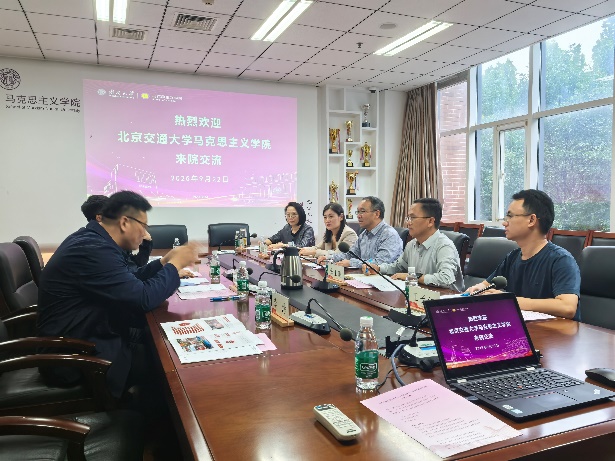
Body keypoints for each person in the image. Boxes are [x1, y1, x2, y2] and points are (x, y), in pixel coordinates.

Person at [39, 190, 199, 398]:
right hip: (77, 356)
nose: (145, 233)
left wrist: (163, 263)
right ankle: (147, 413)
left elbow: (130, 281)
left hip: (94, 332)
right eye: (143, 226)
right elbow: (143, 299)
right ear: (124, 222)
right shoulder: (92, 249)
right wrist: (175, 264)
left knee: (164, 340)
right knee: (169, 366)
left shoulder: (96, 241)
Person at [466, 189, 580, 320]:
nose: (504, 223)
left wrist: (509, 300)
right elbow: (486, 285)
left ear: (531, 220)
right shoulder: (513, 257)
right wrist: (477, 289)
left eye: (510, 216)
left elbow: (567, 307)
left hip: (554, 331)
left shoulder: (561, 260)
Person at [364, 198, 463, 292]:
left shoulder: (444, 246)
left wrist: (412, 277)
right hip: (418, 296)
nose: (408, 222)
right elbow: (398, 267)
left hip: (444, 299)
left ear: (430, 221)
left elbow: (446, 279)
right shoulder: (411, 244)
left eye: (413, 218)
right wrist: (378, 268)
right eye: (408, 218)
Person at [318, 196, 402, 268]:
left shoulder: (389, 234)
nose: (358, 216)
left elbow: (380, 263)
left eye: (362, 211)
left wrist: (351, 263)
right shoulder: (364, 234)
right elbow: (350, 254)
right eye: (358, 212)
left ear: (377, 214)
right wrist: (330, 257)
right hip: (365, 276)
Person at [82, 195, 153, 268]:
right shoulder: (101, 247)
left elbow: (134, 265)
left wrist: (146, 244)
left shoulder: (108, 237)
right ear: (99, 218)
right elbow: (132, 272)